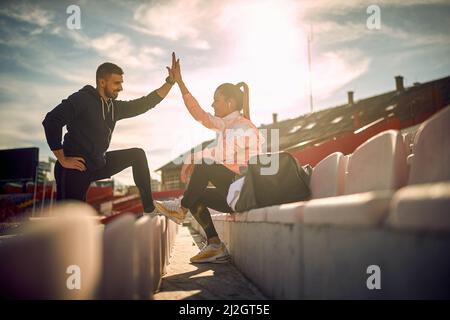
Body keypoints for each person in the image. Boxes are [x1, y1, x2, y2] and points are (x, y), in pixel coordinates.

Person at [155, 52, 264, 263]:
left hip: (249, 193)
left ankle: (181, 208)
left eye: (216, 100)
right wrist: (180, 83)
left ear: (230, 103)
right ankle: (215, 244)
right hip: (236, 193)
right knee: (198, 195)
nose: (212, 105)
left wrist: (195, 158)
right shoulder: (227, 125)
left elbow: (219, 156)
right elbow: (200, 114)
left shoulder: (243, 127)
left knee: (204, 162)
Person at [42, 61, 176, 214]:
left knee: (137, 155)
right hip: (74, 167)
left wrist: (170, 82)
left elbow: (145, 103)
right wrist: (63, 159)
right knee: (71, 220)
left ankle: (149, 208)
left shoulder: (114, 107)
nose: (121, 87)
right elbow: (51, 121)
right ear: (102, 82)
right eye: (116, 83)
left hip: (97, 163)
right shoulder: (82, 99)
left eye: (121, 83)